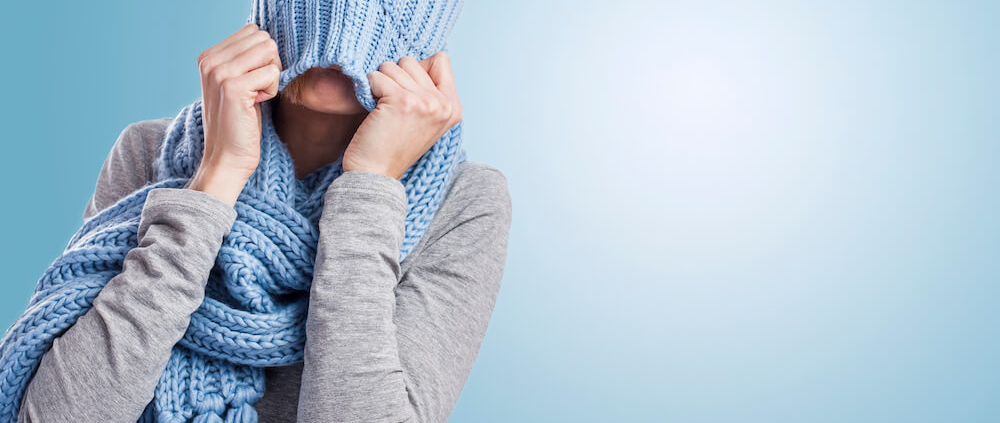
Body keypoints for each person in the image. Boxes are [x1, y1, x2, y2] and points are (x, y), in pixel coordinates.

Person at [12, 10, 512, 423]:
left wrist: (369, 188)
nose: (345, 21)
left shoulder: (465, 202)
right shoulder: (151, 151)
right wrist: (217, 176)